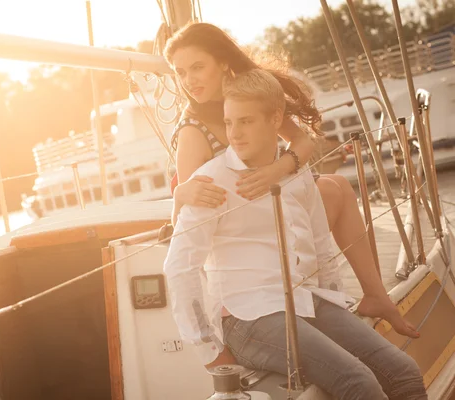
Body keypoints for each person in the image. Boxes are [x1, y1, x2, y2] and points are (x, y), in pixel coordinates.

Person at [163, 69, 427, 400]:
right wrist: (210, 352)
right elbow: (179, 268)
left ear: (275, 119)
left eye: (245, 122)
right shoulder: (211, 183)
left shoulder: (296, 174)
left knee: (403, 371)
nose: (235, 134)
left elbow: (319, 249)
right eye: (229, 122)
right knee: (359, 382)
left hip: (304, 301)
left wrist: (335, 306)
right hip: (248, 317)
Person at [163, 22, 418, 338]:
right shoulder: (192, 131)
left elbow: (303, 140)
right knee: (333, 189)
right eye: (181, 72)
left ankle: (374, 294)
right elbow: (189, 223)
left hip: (278, 208)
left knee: (336, 186)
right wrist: (179, 196)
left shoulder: (244, 94)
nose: (189, 80)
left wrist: (278, 169)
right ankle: (351, 295)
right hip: (246, 235)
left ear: (222, 62)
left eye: (197, 67)